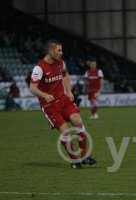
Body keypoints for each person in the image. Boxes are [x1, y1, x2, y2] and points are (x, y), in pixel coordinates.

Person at [30, 40, 97, 169]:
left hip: (63, 100)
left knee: (77, 122)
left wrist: (69, 91)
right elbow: (32, 88)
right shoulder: (39, 68)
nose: (61, 52)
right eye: (59, 50)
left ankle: (84, 156)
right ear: (50, 51)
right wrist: (44, 95)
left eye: (61, 50)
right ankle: (74, 160)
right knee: (66, 132)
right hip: (49, 106)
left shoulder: (61, 63)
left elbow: (65, 75)